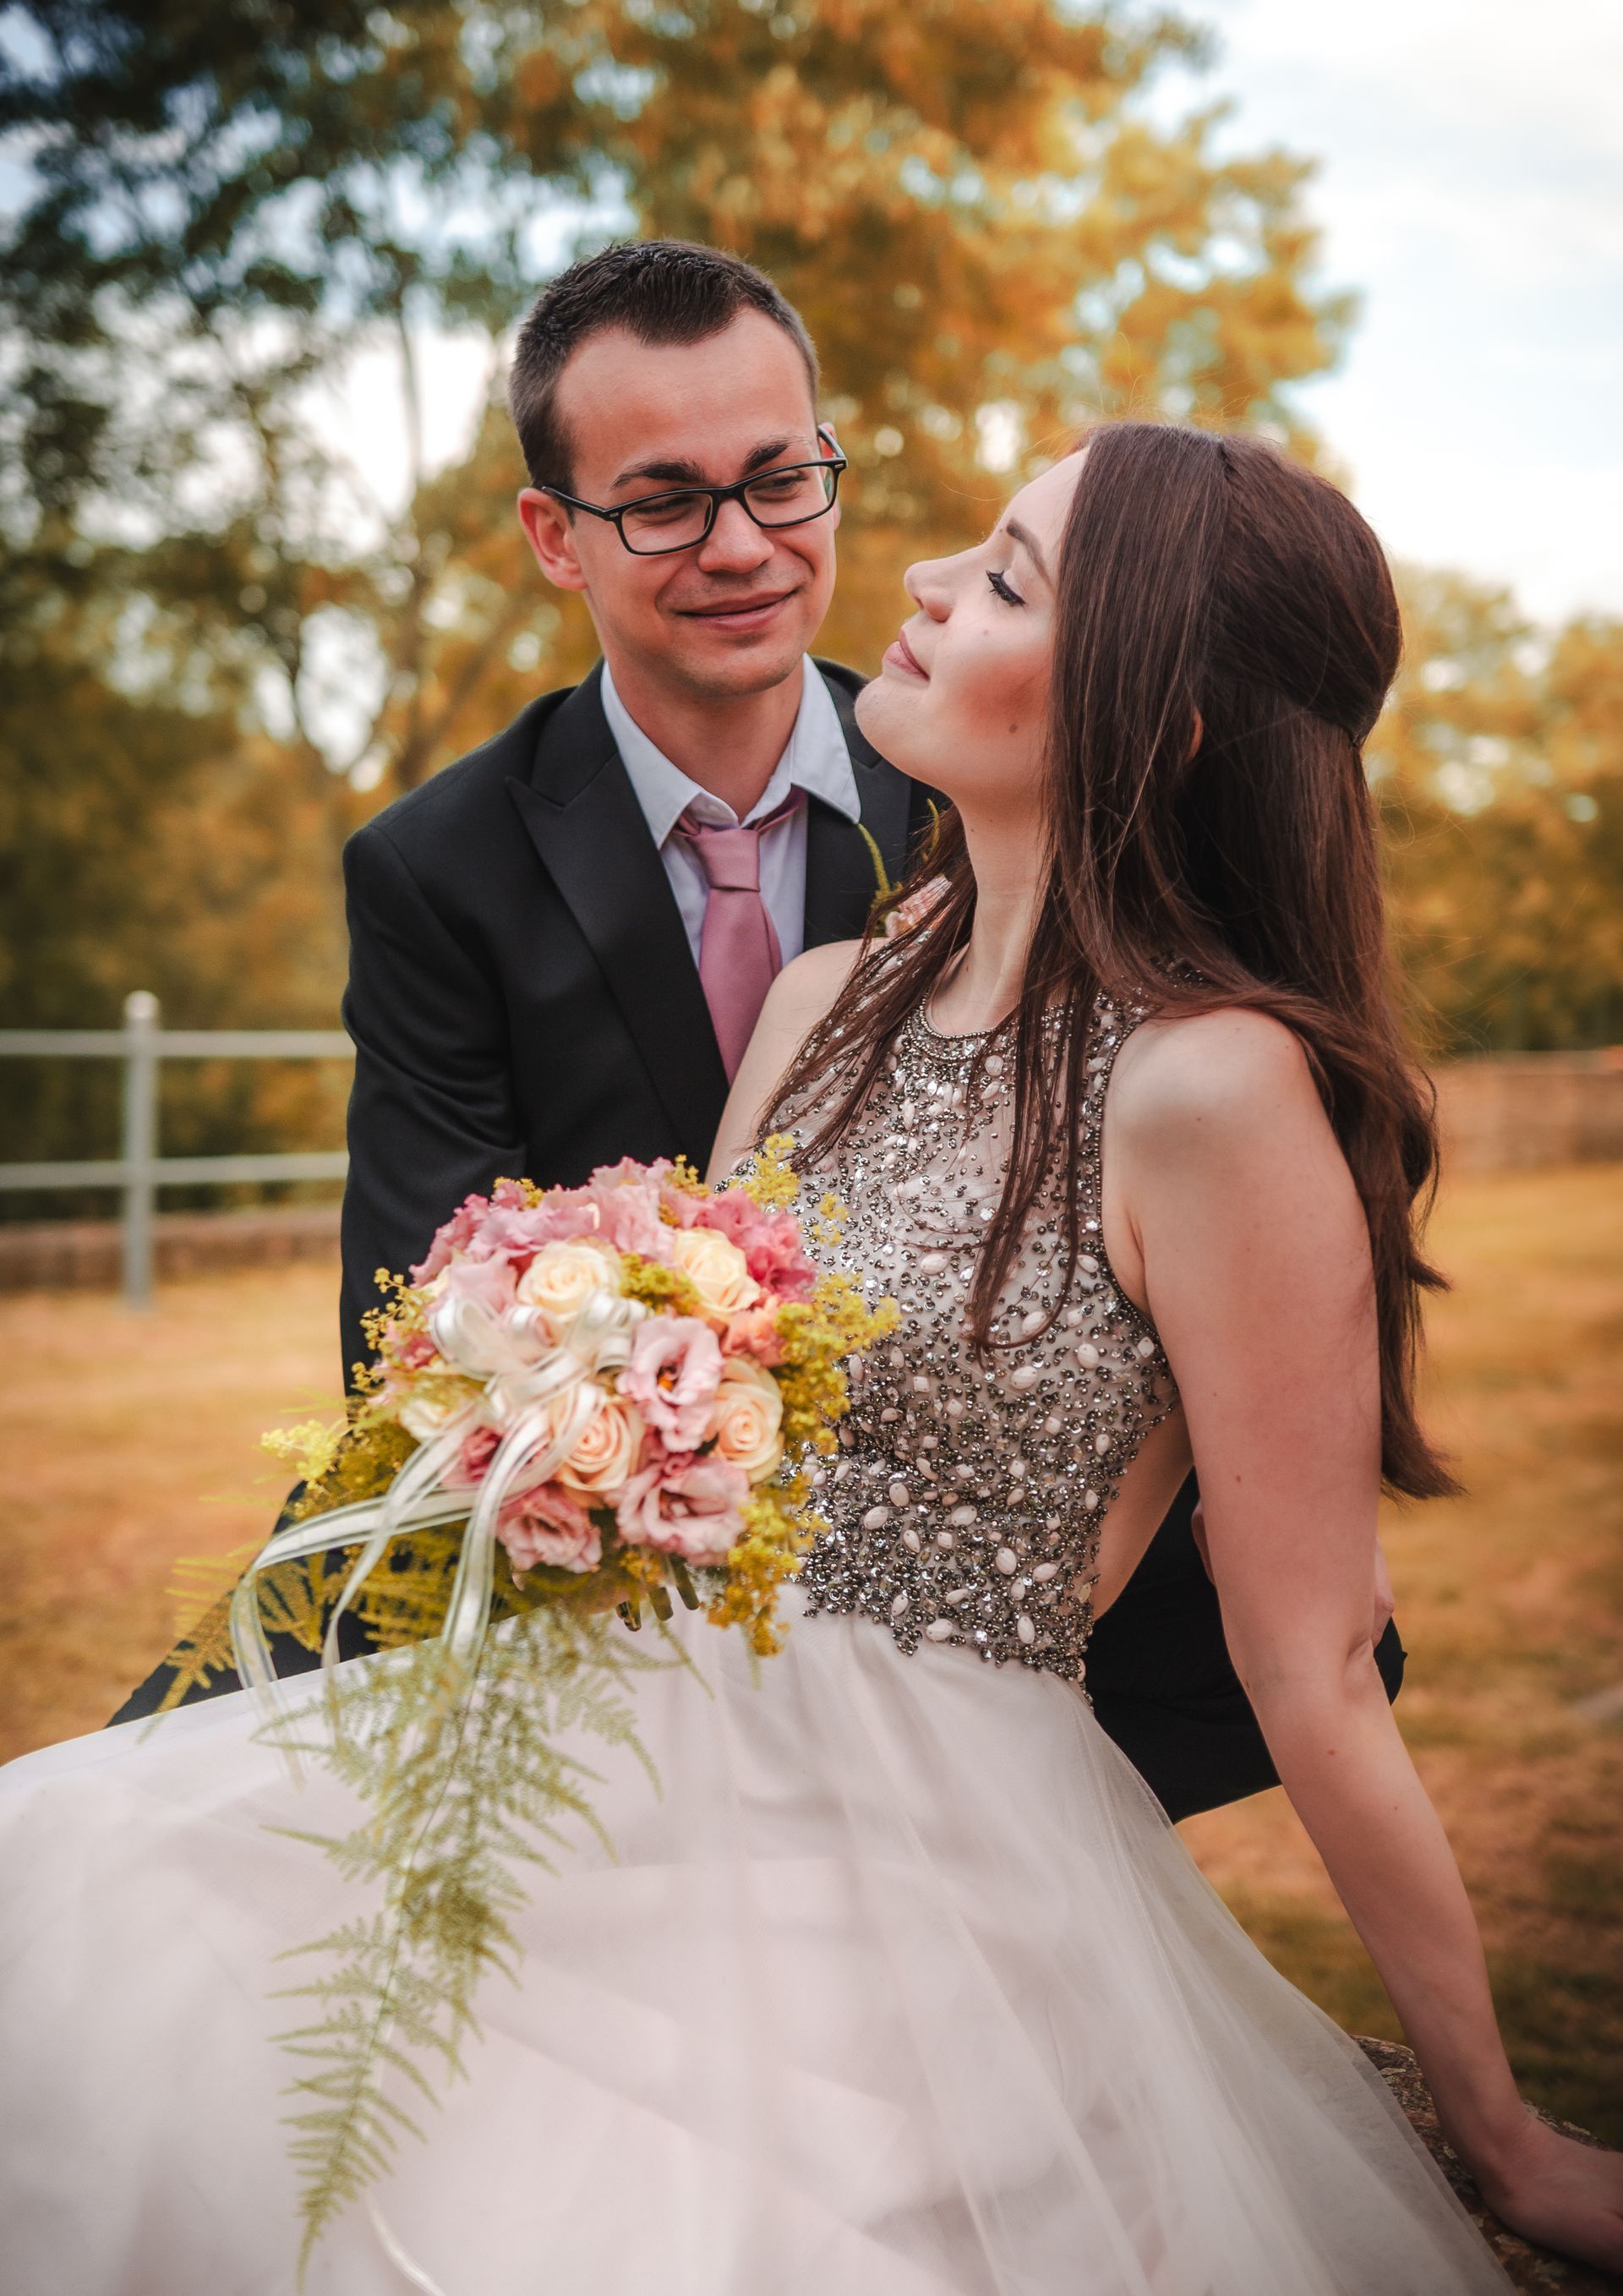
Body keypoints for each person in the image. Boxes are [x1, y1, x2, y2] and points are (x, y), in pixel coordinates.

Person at [4, 422, 1620, 2293]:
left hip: (922, 1842)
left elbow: (1313, 1660)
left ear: (1158, 724)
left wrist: (1501, 2133)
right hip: (630, 1731)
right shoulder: (820, 1002)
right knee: (99, 1907)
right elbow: (713, 1411)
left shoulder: (1215, 1087)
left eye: (1007, 578)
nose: (921, 582)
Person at [107, 242, 1391, 1831]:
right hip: (589, 1516)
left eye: (781, 481)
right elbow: (421, 1325)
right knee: (150, 1816)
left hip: (995, 1566)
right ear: (557, 537)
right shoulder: (439, 870)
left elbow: (1240, 1111)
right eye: (664, 503)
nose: (742, 546)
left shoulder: (993, 757)